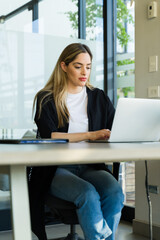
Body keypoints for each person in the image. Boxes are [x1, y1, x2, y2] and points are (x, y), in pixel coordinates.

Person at [28, 43, 124, 240]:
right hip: (55, 168)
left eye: (88, 67)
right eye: (78, 66)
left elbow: (115, 128)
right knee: (87, 194)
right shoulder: (46, 98)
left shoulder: (98, 97)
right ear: (64, 66)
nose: (84, 72)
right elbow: (51, 135)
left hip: (90, 165)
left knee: (115, 192)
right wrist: (91, 135)